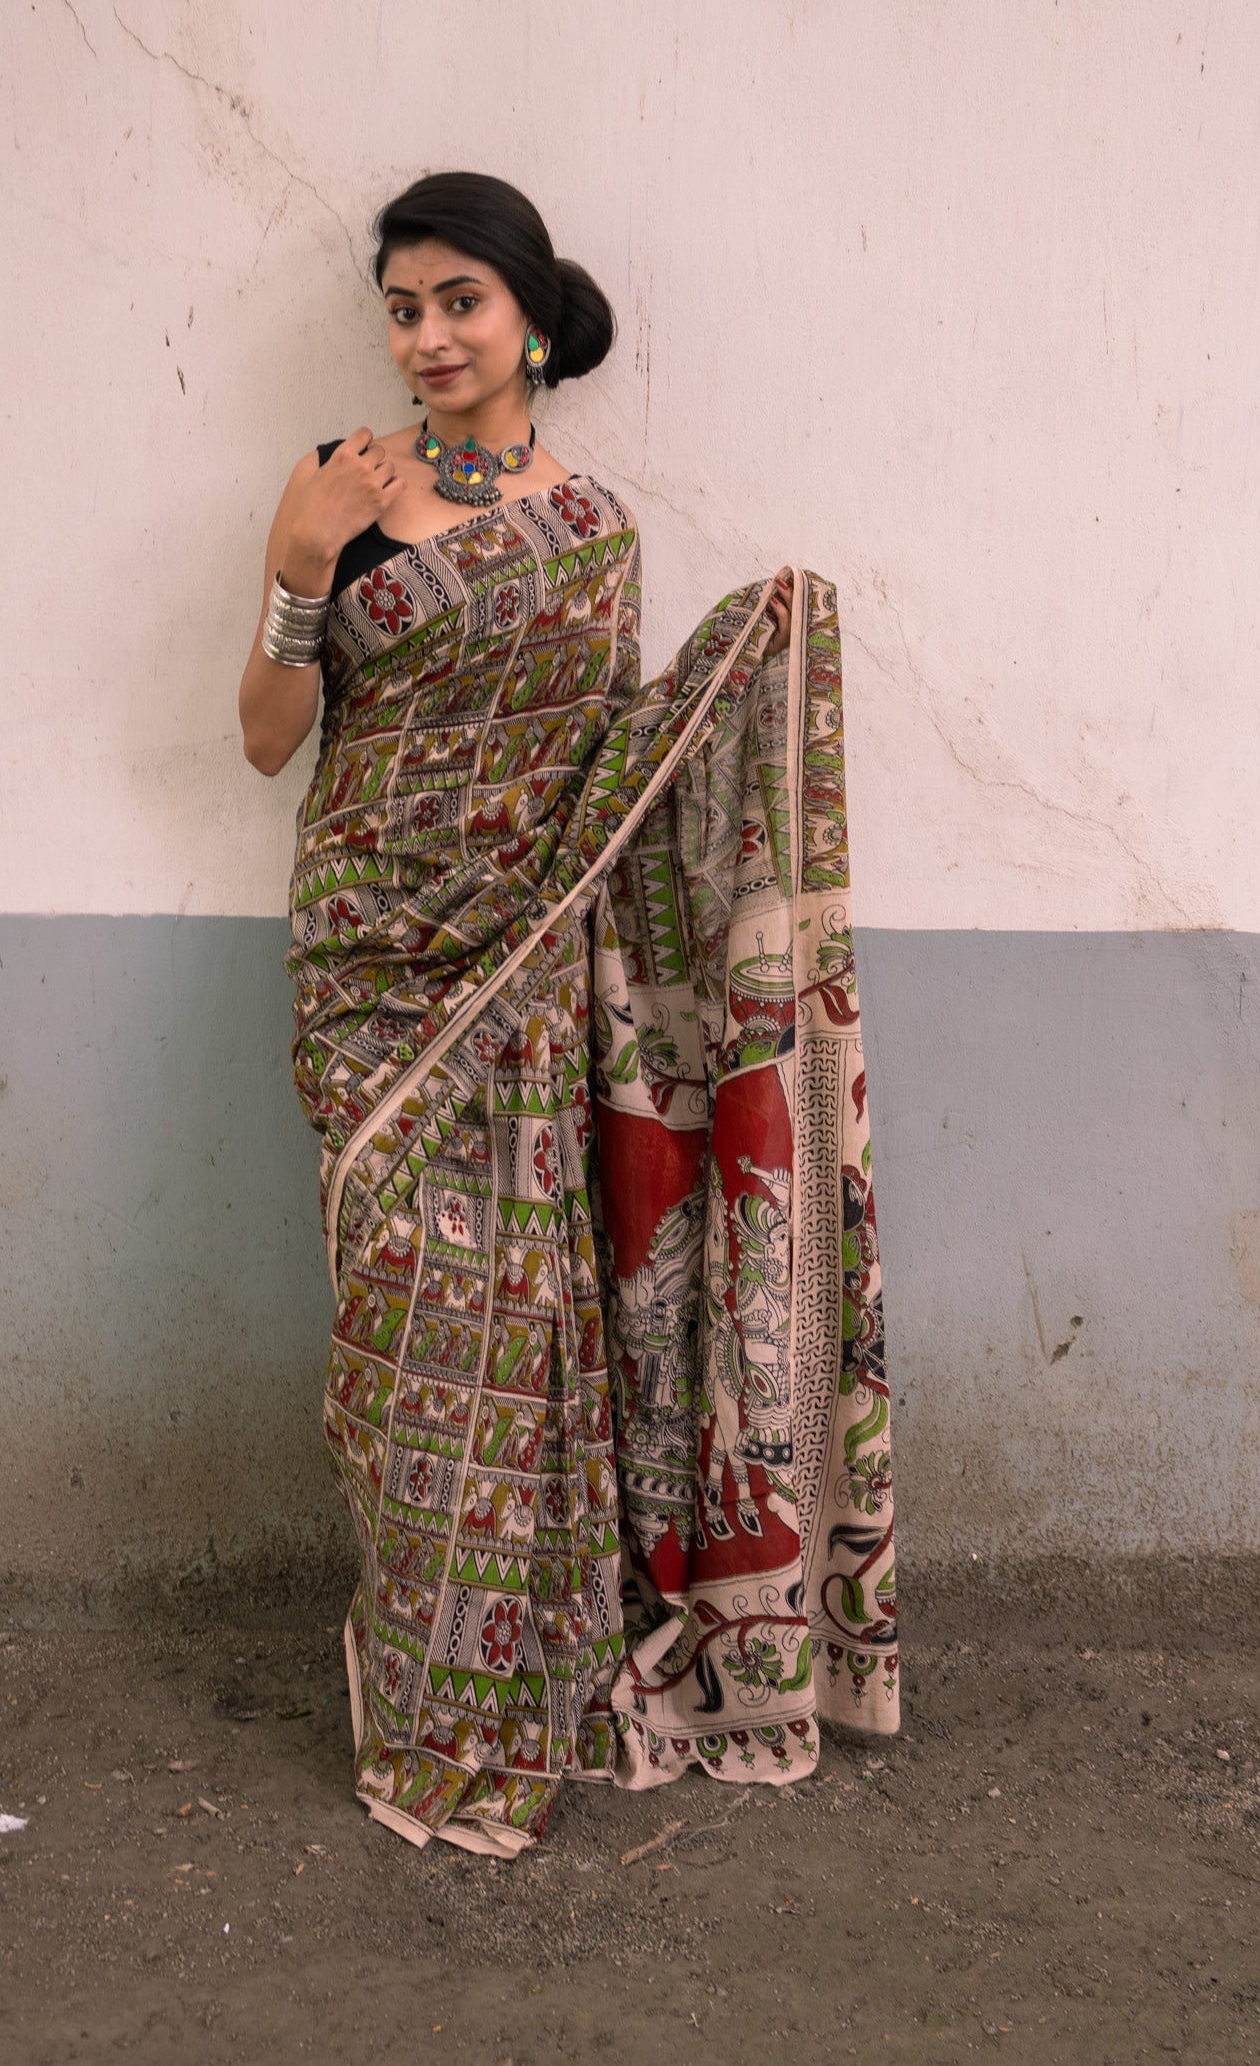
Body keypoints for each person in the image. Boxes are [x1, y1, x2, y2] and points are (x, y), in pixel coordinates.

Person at [238, 172, 896, 1856]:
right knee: (406, 1351)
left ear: (532, 316)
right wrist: (296, 569)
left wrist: (753, 661)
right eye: (403, 307)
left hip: (524, 985)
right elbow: (264, 740)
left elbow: (612, 774)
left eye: (459, 300)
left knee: (517, 1342)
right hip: (376, 977)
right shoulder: (342, 494)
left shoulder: (592, 532)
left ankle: (505, 1705)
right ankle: (424, 1697)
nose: (429, 335)